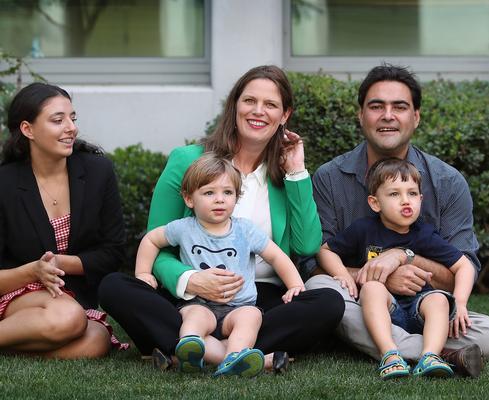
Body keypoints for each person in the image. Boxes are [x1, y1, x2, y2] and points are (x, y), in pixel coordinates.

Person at [99, 65, 344, 371]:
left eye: (270, 105)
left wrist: (296, 171)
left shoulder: (285, 176)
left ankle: (187, 350)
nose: (258, 111)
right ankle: (241, 353)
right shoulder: (188, 160)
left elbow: (307, 246)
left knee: (329, 303)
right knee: (113, 286)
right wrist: (192, 280)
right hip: (188, 298)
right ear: (234, 105)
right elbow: (157, 244)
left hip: (257, 297)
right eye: (249, 101)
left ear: (284, 116)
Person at [304, 64, 489, 376]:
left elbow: (461, 270)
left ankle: (383, 345)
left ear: (416, 117)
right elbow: (315, 261)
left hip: (424, 306)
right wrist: (380, 277)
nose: (388, 115)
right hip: (362, 300)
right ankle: (437, 354)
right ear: (361, 115)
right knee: (320, 288)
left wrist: (403, 257)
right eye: (376, 106)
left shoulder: (447, 182)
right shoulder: (330, 178)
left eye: (399, 107)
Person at [135, 154, 305, 377]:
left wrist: (294, 284)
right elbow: (151, 239)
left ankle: (233, 356)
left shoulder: (246, 230)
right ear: (189, 199)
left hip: (239, 306)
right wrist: (143, 272)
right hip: (200, 303)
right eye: (209, 193)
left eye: (227, 192)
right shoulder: (183, 228)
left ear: (236, 197)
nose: (219, 199)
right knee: (194, 317)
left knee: (251, 317)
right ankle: (190, 347)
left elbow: (276, 256)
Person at [318, 158, 478, 379]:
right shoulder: (363, 230)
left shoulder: (424, 234)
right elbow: (325, 251)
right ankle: (390, 355)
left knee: (439, 300)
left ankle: (429, 356)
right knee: (372, 288)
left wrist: (459, 303)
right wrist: (344, 275)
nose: (406, 201)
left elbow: (464, 266)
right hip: (383, 308)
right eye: (394, 194)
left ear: (421, 199)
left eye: (412, 194)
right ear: (375, 203)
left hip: (418, 309)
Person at [0, 82, 127, 358]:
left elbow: (114, 250)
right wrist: (33, 271)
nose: (71, 127)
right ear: (27, 129)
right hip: (16, 293)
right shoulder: (5, 183)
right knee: (69, 318)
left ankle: (15, 345)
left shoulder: (97, 171)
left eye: (73, 118)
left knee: (96, 339)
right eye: (58, 120)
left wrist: (61, 263)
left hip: (71, 297)